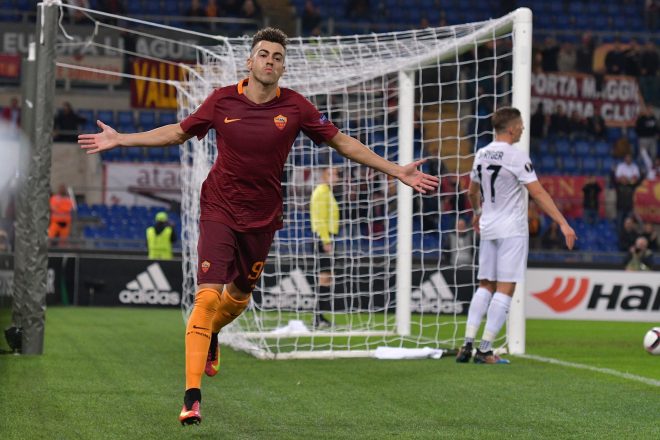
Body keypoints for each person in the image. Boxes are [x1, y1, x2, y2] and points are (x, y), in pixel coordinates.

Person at [78, 28, 438, 426]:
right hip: (218, 208)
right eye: (264, 54)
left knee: (239, 298)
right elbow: (177, 133)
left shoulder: (296, 107)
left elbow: (343, 142)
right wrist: (122, 139)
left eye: (277, 57)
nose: (270, 61)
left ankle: (212, 333)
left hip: (263, 217)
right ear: (250, 61)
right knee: (206, 298)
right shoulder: (221, 100)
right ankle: (192, 397)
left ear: (283, 68)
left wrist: (396, 170)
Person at [456, 107, 576, 365]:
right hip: (511, 229)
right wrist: (563, 223)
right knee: (506, 287)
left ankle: (466, 345)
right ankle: (485, 351)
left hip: (488, 226)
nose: (522, 128)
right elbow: (538, 193)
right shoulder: (517, 157)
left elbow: (472, 191)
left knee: (485, 285)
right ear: (511, 129)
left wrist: (477, 212)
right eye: (520, 124)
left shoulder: (481, 153)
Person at [310, 166, 340, 328]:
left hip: (326, 237)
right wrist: (326, 240)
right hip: (323, 238)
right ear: (323, 176)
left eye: (336, 174)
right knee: (324, 277)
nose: (335, 177)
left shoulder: (327, 192)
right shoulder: (322, 192)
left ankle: (320, 316)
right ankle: (317, 317)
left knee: (327, 278)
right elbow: (319, 219)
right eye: (331, 174)